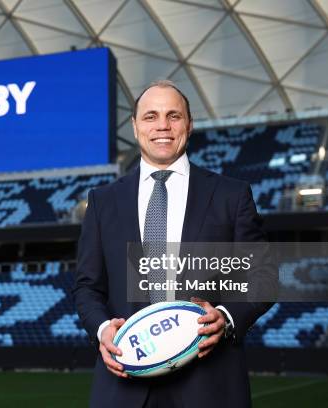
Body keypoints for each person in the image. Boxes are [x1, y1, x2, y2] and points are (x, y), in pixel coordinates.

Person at [73, 80, 273, 407]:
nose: (162, 126)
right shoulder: (102, 202)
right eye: (151, 116)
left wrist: (226, 316)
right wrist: (104, 328)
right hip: (125, 384)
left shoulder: (230, 195)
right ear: (135, 126)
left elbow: (263, 277)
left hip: (210, 386)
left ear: (189, 125)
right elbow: (87, 287)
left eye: (173, 116)